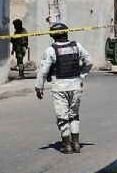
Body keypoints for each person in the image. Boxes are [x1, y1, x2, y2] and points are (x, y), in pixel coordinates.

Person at [35, 22, 93, 154]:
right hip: (76, 85)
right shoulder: (76, 46)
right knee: (74, 115)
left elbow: (43, 71)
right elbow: (89, 62)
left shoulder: (51, 50)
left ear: (53, 36)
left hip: (60, 87)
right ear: (66, 33)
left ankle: (67, 146)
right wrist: (82, 75)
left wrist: (39, 87)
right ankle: (76, 144)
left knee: (62, 117)